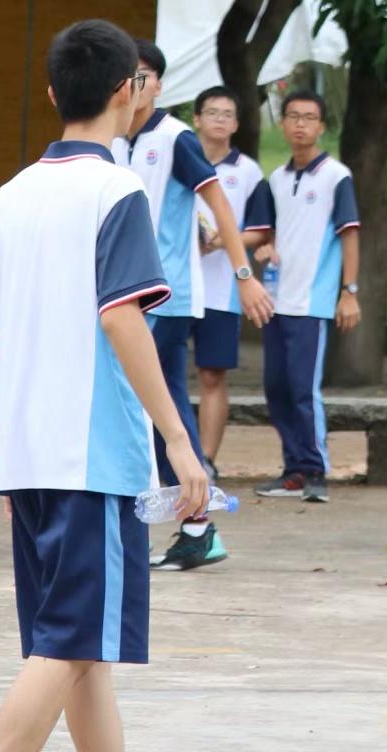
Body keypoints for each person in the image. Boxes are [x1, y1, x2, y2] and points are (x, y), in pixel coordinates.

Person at [0, 19, 209, 752]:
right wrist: (180, 441)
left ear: (52, 93)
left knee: (84, 654)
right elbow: (122, 319)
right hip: (95, 463)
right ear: (130, 90)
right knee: (68, 648)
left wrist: (7, 448)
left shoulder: (9, 195)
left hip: (32, 459)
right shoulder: (118, 190)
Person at [116, 48, 270, 572]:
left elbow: (219, 206)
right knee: (154, 406)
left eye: (145, 76)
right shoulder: (114, 139)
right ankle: (192, 522)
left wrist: (244, 275)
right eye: (128, 76)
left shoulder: (175, 138)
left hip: (168, 296)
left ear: (159, 85)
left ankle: (196, 523)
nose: (136, 85)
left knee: (161, 404)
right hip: (124, 298)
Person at [242, 90, 360, 502]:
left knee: (302, 388)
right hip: (276, 300)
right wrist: (263, 249)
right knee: (276, 387)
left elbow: (350, 235)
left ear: (322, 126)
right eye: (292, 117)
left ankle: (314, 471)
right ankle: (292, 469)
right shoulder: (276, 179)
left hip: (311, 303)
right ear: (283, 124)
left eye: (309, 118)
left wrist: (350, 291)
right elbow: (270, 234)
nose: (300, 125)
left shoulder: (336, 177)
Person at [174, 87, 265, 513]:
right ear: (196, 118)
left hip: (220, 290)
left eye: (228, 114)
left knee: (212, 375)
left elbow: (262, 229)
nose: (219, 120)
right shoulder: (178, 158)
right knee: (162, 373)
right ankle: (169, 460)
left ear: (237, 124)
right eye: (212, 112)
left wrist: (221, 242)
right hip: (173, 286)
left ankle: (206, 460)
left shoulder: (247, 172)